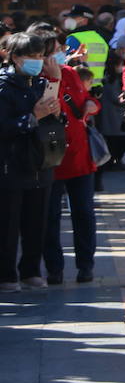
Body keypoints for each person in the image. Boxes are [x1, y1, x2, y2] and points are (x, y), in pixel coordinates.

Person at [0, 32, 61, 292]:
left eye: (39, 56)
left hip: (39, 164)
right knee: (8, 224)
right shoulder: (4, 87)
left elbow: (53, 126)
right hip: (11, 164)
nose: (37, 61)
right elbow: (4, 126)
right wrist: (32, 116)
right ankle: (6, 275)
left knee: (37, 222)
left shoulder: (39, 85)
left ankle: (31, 271)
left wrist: (55, 114)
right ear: (14, 57)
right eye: (31, 56)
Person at [44, 36, 101, 285]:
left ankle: (86, 265)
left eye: (60, 50)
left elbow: (87, 100)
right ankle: (54, 268)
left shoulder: (71, 73)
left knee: (84, 213)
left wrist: (92, 104)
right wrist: (54, 78)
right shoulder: (39, 79)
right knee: (50, 216)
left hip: (79, 156)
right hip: (50, 159)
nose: (61, 54)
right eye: (56, 51)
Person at [61, 4, 111, 90]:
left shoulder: (74, 38)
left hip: (80, 88)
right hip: (98, 88)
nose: (69, 20)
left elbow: (65, 64)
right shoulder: (100, 38)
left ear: (84, 20)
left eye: (74, 18)